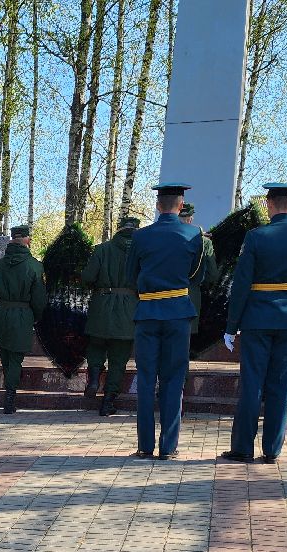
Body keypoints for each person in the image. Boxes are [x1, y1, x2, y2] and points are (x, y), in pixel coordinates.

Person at [218, 182, 287, 465]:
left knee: (252, 384)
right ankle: (272, 449)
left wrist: (231, 325)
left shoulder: (256, 236)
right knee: (280, 385)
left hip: (256, 320)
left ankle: (242, 448)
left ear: (269, 204)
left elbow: (241, 285)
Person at [126, 182, 204, 459]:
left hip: (148, 312)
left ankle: (145, 446)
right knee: (173, 379)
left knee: (146, 379)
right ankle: (168, 447)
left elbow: (130, 275)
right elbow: (198, 275)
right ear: (180, 206)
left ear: (158, 206)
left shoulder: (141, 237)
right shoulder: (195, 235)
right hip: (178, 313)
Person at [81, 215, 140, 416]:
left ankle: (95, 377)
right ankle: (108, 402)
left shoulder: (101, 249)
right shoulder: (142, 253)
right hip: (128, 309)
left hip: (101, 306)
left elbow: (88, 277)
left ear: (119, 228)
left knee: (96, 346)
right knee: (118, 359)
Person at [0, 224, 48, 414]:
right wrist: (37, 317)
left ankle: (9, 390)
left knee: (5, 354)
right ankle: (10, 397)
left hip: (1, 312)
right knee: (16, 358)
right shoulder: (34, 265)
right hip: (22, 314)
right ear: (26, 240)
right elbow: (39, 298)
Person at [177, 202, 216, 321]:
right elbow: (212, 274)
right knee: (187, 335)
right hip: (191, 294)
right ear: (190, 219)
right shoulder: (204, 242)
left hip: (164, 295)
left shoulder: (163, 237)